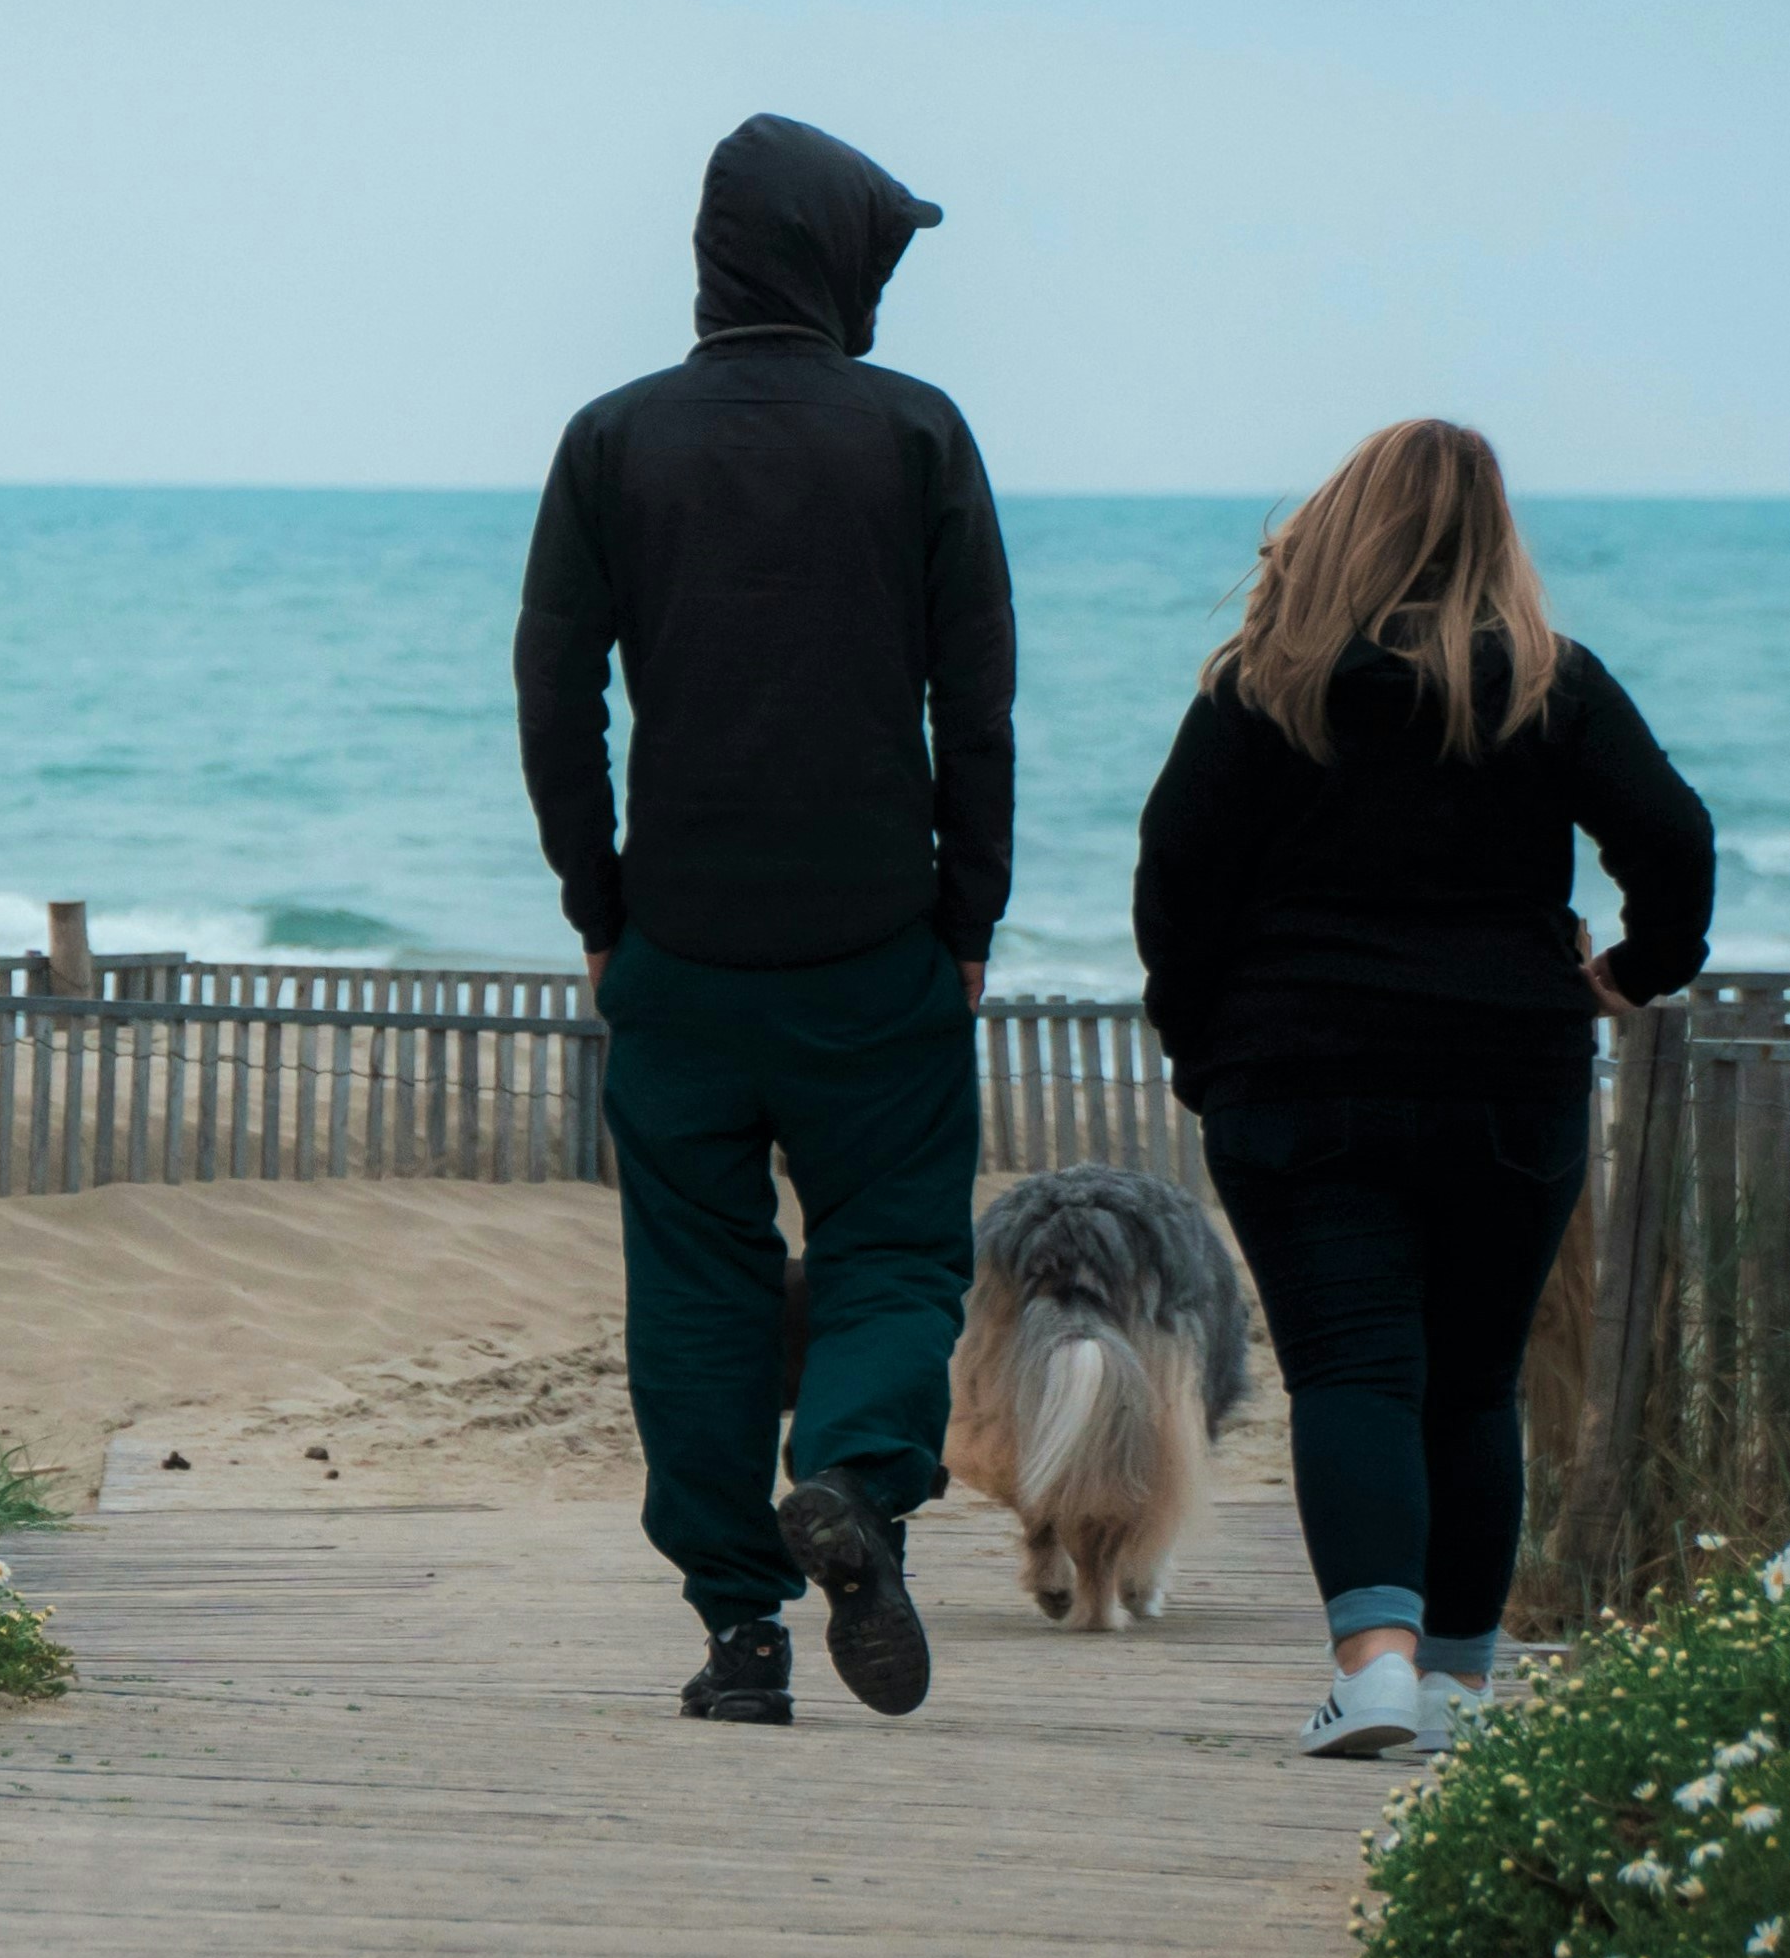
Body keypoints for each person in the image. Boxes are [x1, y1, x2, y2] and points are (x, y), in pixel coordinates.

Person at [515, 114, 1015, 1728]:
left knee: (697, 1294)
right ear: (827, 254)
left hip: (682, 951)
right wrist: (969, 919)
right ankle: (858, 1481)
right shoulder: (918, 436)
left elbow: (553, 697)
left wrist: (598, 903)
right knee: (894, 1255)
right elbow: (980, 707)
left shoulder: (612, 441)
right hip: (877, 947)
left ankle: (741, 1637)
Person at [1134, 418, 1711, 1758]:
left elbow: (1175, 884)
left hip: (1298, 1075)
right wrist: (1640, 969)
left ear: (1342, 525)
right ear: (1494, 537)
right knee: (1472, 1380)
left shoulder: (1260, 690)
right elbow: (1675, 837)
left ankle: (1374, 1667)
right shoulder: (1550, 686)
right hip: (1509, 1075)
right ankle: (1456, 1683)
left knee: (1352, 1369)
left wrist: (1198, 1045)